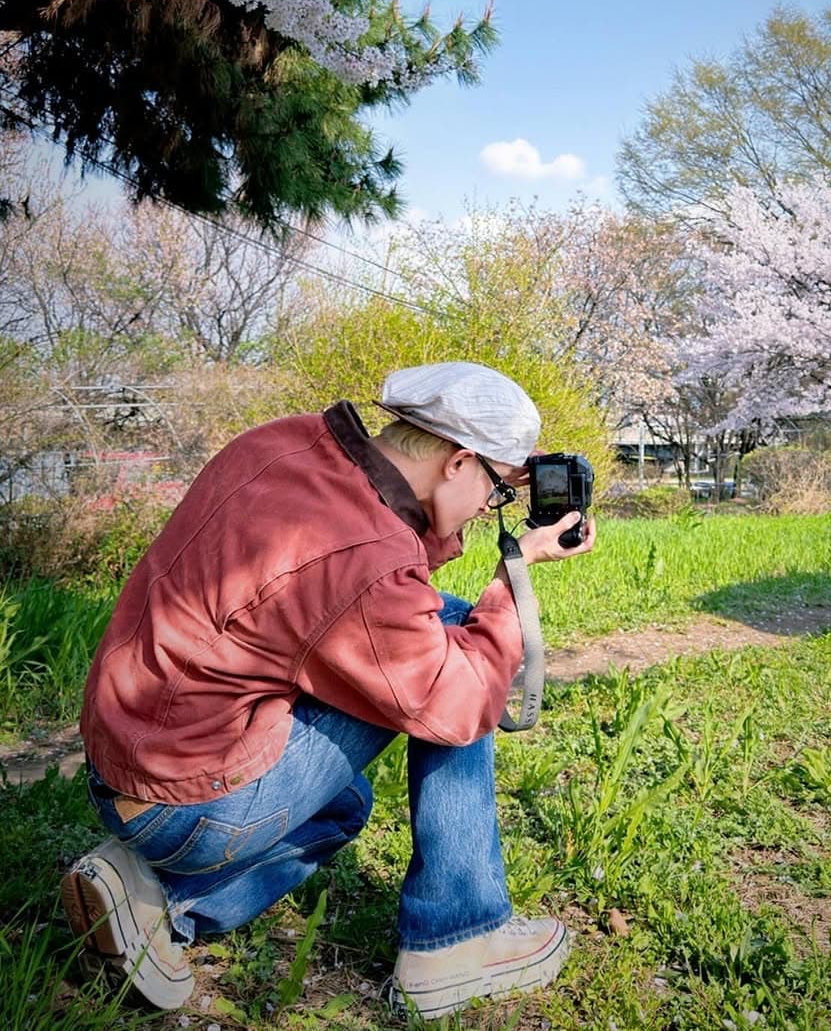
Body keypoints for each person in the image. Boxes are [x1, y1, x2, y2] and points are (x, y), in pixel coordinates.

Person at [61, 361, 596, 1020]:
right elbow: (459, 698)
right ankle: (457, 935)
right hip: (190, 808)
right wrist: (516, 576)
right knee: (465, 641)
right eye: (496, 489)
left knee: (345, 805)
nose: (493, 506)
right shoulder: (364, 563)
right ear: (458, 461)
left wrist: (502, 461)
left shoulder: (284, 444)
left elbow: (374, 557)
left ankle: (153, 900)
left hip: (126, 760)